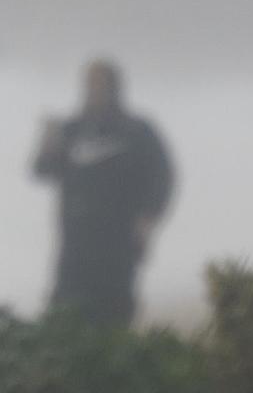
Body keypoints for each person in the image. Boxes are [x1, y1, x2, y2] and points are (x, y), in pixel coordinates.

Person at [31, 59, 176, 328]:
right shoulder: (71, 129)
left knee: (114, 310)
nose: (94, 90)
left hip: (119, 238)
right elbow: (42, 171)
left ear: (115, 87)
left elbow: (163, 177)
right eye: (89, 83)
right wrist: (48, 142)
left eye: (100, 83)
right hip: (76, 240)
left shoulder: (137, 131)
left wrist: (148, 219)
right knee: (66, 309)